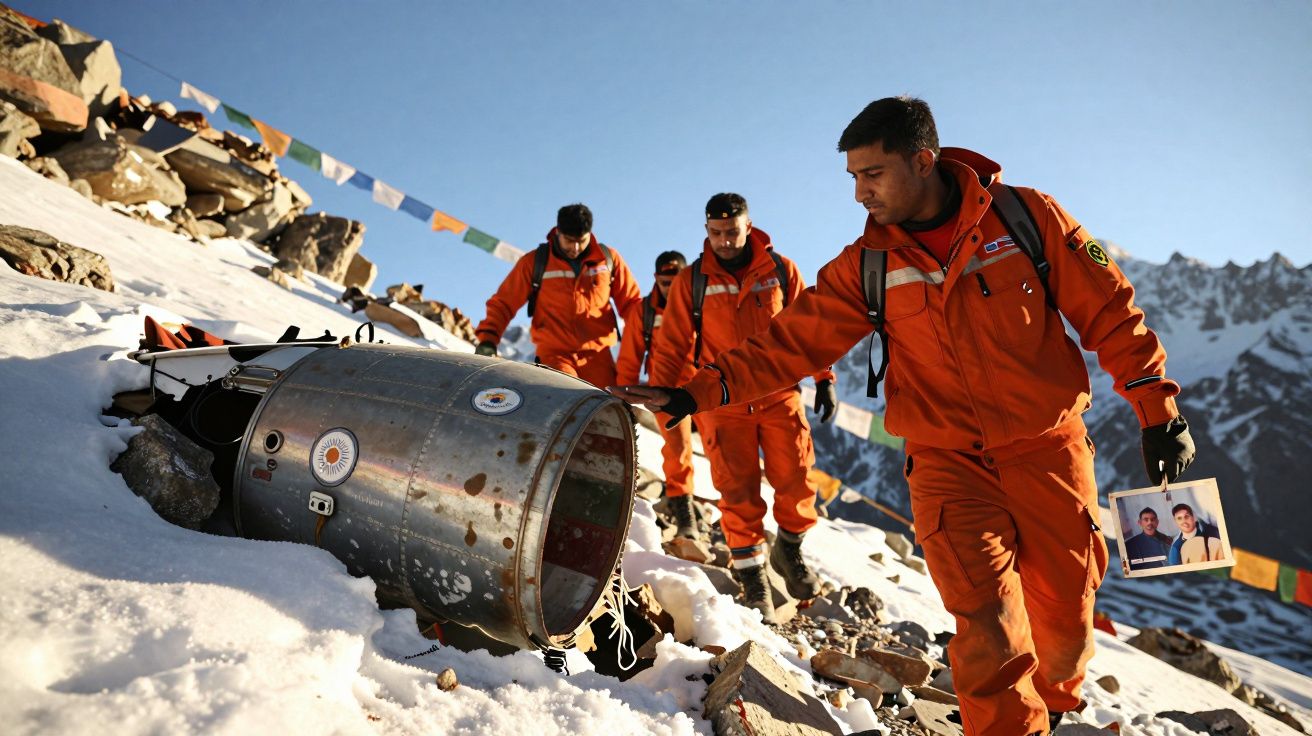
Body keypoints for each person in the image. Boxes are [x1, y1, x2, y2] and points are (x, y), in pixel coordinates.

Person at [611, 98, 1197, 736]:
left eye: (873, 175)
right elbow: (788, 343)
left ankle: (1054, 707)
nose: (860, 193)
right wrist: (698, 393)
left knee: (1064, 615)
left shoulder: (1027, 219)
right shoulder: (867, 264)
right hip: (947, 467)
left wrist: (1156, 410)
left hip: (1048, 450)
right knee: (985, 625)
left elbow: (1111, 311)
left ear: (923, 161)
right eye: (853, 178)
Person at [643, 192, 838, 624]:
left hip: (779, 393)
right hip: (721, 401)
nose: (725, 240)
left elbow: (807, 328)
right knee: (737, 491)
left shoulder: (780, 270)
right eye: (716, 233)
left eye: (732, 231)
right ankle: (754, 581)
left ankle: (788, 546)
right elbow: (672, 346)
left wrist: (823, 377)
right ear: (707, 232)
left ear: (749, 227)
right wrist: (666, 395)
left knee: (796, 479)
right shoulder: (692, 281)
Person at [474, 204, 641, 388]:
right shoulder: (535, 262)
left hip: (599, 357)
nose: (576, 248)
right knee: (568, 400)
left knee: (606, 411)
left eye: (582, 241)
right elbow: (504, 302)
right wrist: (489, 338)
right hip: (555, 355)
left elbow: (632, 304)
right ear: (558, 233)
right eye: (570, 241)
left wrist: (650, 335)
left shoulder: (608, 260)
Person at [615, 251, 698, 537]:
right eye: (665, 283)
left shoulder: (703, 302)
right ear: (655, 280)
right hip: (667, 390)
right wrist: (625, 399)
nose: (671, 289)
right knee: (678, 449)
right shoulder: (644, 312)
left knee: (727, 455)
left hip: (708, 385)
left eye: (676, 282)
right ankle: (683, 508)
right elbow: (629, 358)